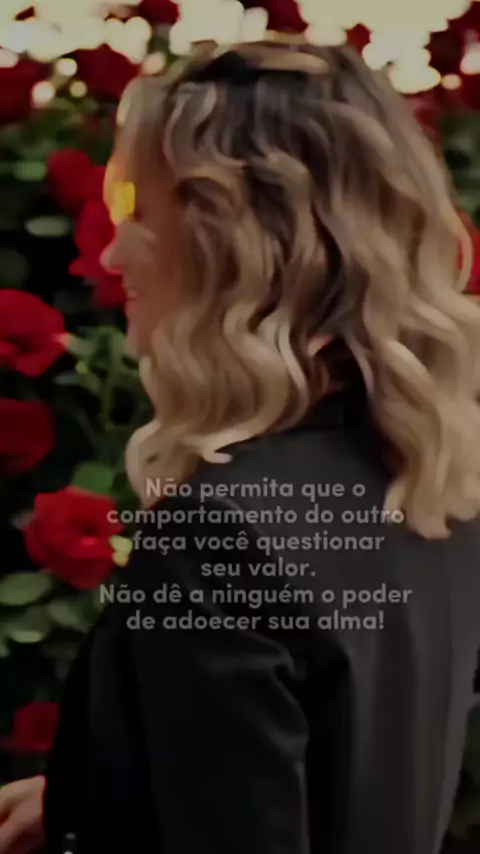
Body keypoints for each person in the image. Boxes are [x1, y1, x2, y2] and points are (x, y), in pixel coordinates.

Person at [1, 37, 480, 854]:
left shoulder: (219, 532)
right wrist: (97, 794)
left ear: (232, 243)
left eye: (138, 211)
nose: (112, 253)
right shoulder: (436, 486)